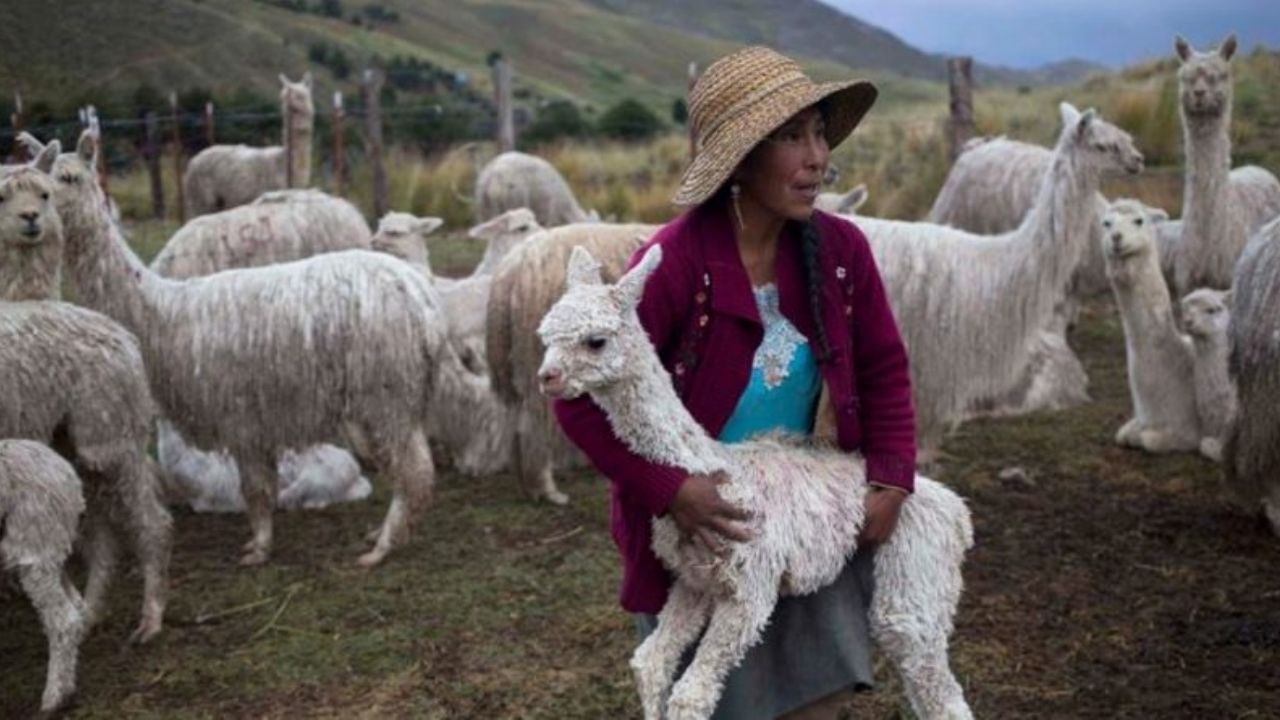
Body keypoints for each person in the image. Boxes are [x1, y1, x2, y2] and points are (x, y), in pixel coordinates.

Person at [552, 45, 916, 719]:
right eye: (790, 137)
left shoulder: (839, 253)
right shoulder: (671, 267)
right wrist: (670, 490)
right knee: (712, 701)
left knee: (818, 694)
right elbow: (574, 396)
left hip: (803, 509)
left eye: (818, 133)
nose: (817, 157)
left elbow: (883, 369)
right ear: (740, 160)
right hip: (708, 527)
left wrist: (892, 477)